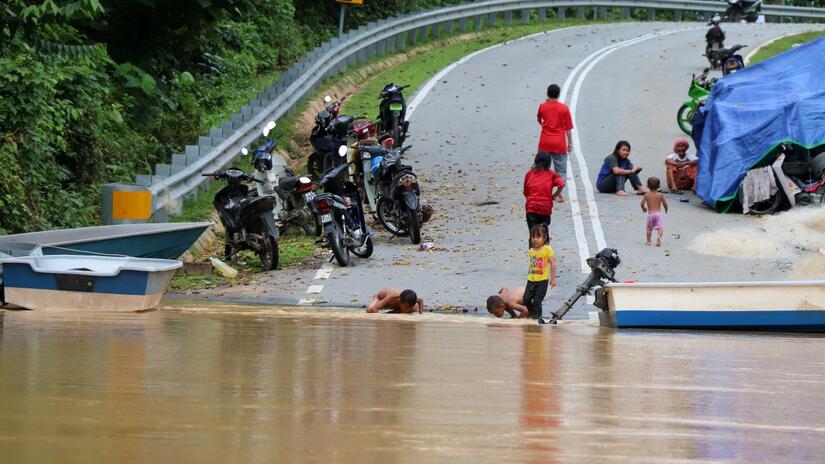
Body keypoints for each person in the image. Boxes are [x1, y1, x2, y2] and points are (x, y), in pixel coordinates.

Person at [536, 84, 574, 202]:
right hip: (559, 143)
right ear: (558, 94)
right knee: (561, 170)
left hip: (545, 142)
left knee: (541, 169)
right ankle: (558, 193)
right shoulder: (564, 108)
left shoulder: (542, 106)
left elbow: (540, 120)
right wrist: (570, 143)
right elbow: (568, 128)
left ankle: (541, 191)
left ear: (547, 94)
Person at [523, 152, 565, 246]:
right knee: (543, 232)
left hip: (531, 208)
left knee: (533, 234)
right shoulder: (551, 174)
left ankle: (534, 256)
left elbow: (525, 192)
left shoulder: (529, 174)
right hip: (545, 209)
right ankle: (545, 253)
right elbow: (561, 184)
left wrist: (532, 199)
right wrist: (554, 195)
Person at [524, 224, 556, 320]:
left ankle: (537, 318)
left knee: (537, 300)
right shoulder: (531, 251)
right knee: (526, 298)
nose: (535, 239)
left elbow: (552, 264)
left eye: (538, 237)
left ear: (544, 238)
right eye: (533, 237)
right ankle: (532, 312)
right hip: (531, 280)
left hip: (542, 281)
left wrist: (553, 278)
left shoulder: (547, 249)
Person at [640, 177, 669, 247]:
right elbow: (665, 203)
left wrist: (643, 208)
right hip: (658, 214)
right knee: (660, 228)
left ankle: (648, 241)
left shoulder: (646, 194)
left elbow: (642, 203)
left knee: (649, 229)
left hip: (650, 215)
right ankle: (659, 237)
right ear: (659, 186)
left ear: (647, 186)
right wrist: (666, 209)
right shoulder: (660, 195)